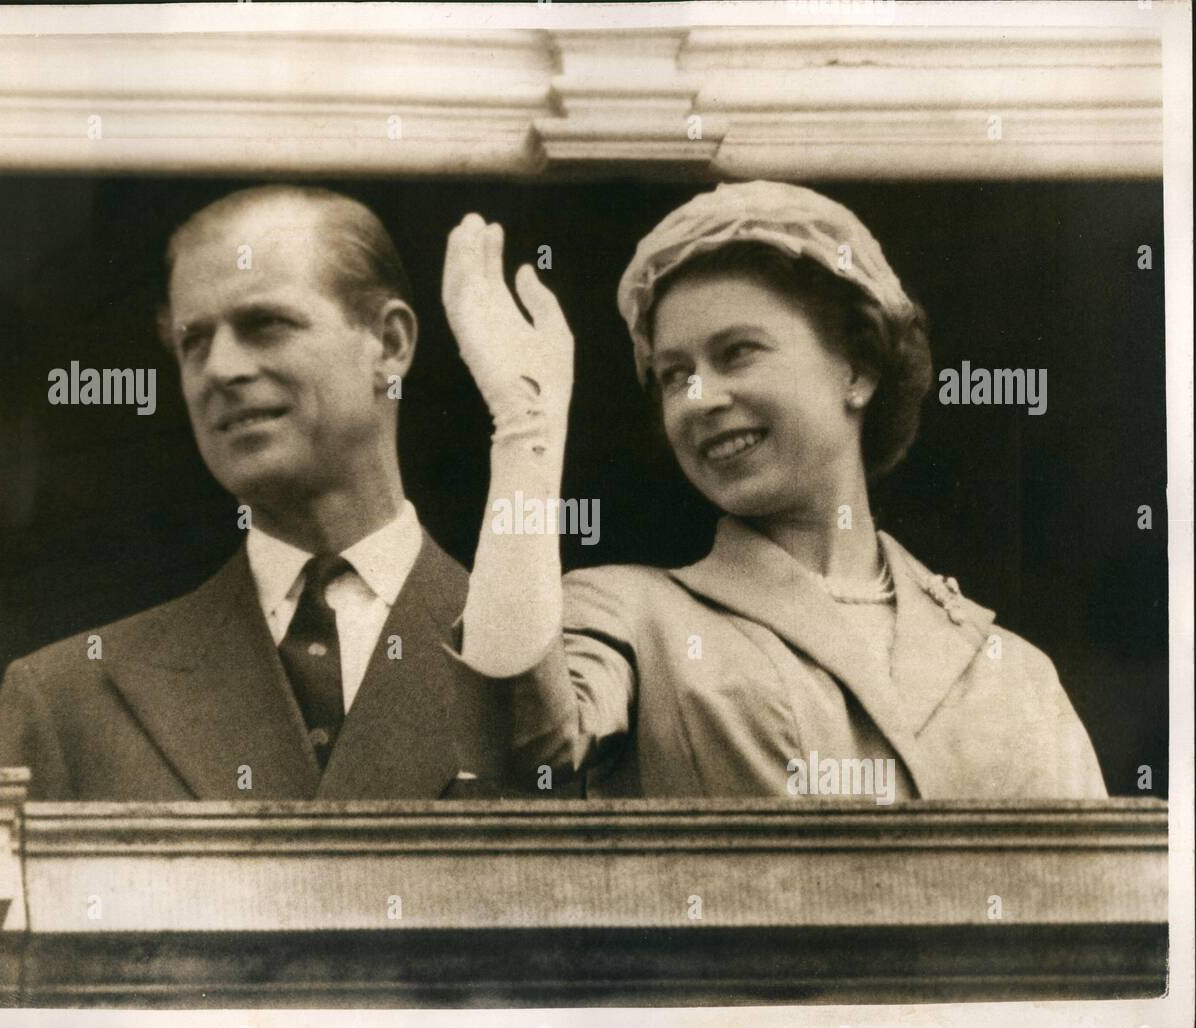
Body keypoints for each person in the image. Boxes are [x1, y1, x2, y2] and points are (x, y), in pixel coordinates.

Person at [446, 180, 1108, 800]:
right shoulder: (629, 616)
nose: (698, 399)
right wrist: (524, 428)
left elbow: (1107, 906)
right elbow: (520, 762)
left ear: (858, 369)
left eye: (737, 353)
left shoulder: (1011, 670)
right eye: (675, 375)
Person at [0, 185, 502, 801]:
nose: (220, 370)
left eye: (265, 324)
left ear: (388, 345)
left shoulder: (545, 666)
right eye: (193, 342)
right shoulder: (67, 700)